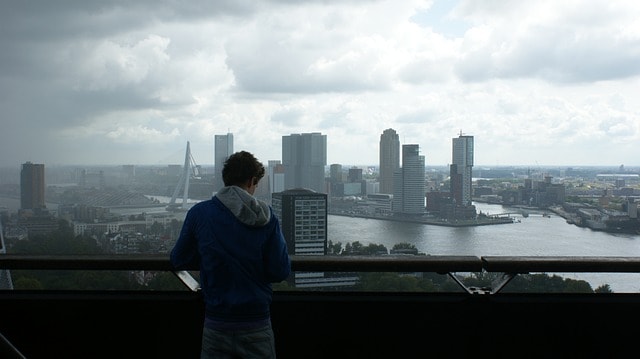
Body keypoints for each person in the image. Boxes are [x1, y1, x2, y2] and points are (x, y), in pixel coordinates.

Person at [170, 150, 291, 359]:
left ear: (226, 180)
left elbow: (178, 259)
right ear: (252, 181)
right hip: (256, 324)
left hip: (216, 324)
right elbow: (279, 271)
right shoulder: (267, 218)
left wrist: (210, 256)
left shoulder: (200, 213)